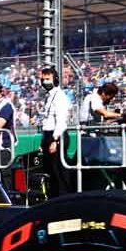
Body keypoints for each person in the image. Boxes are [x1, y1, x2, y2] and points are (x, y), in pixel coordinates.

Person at [39, 64, 73, 195]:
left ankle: (63, 196)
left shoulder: (60, 96)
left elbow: (61, 120)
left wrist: (55, 140)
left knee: (59, 170)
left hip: (57, 135)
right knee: (51, 171)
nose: (45, 82)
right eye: (43, 79)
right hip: (48, 135)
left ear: (55, 79)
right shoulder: (49, 96)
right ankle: (53, 196)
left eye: (48, 79)